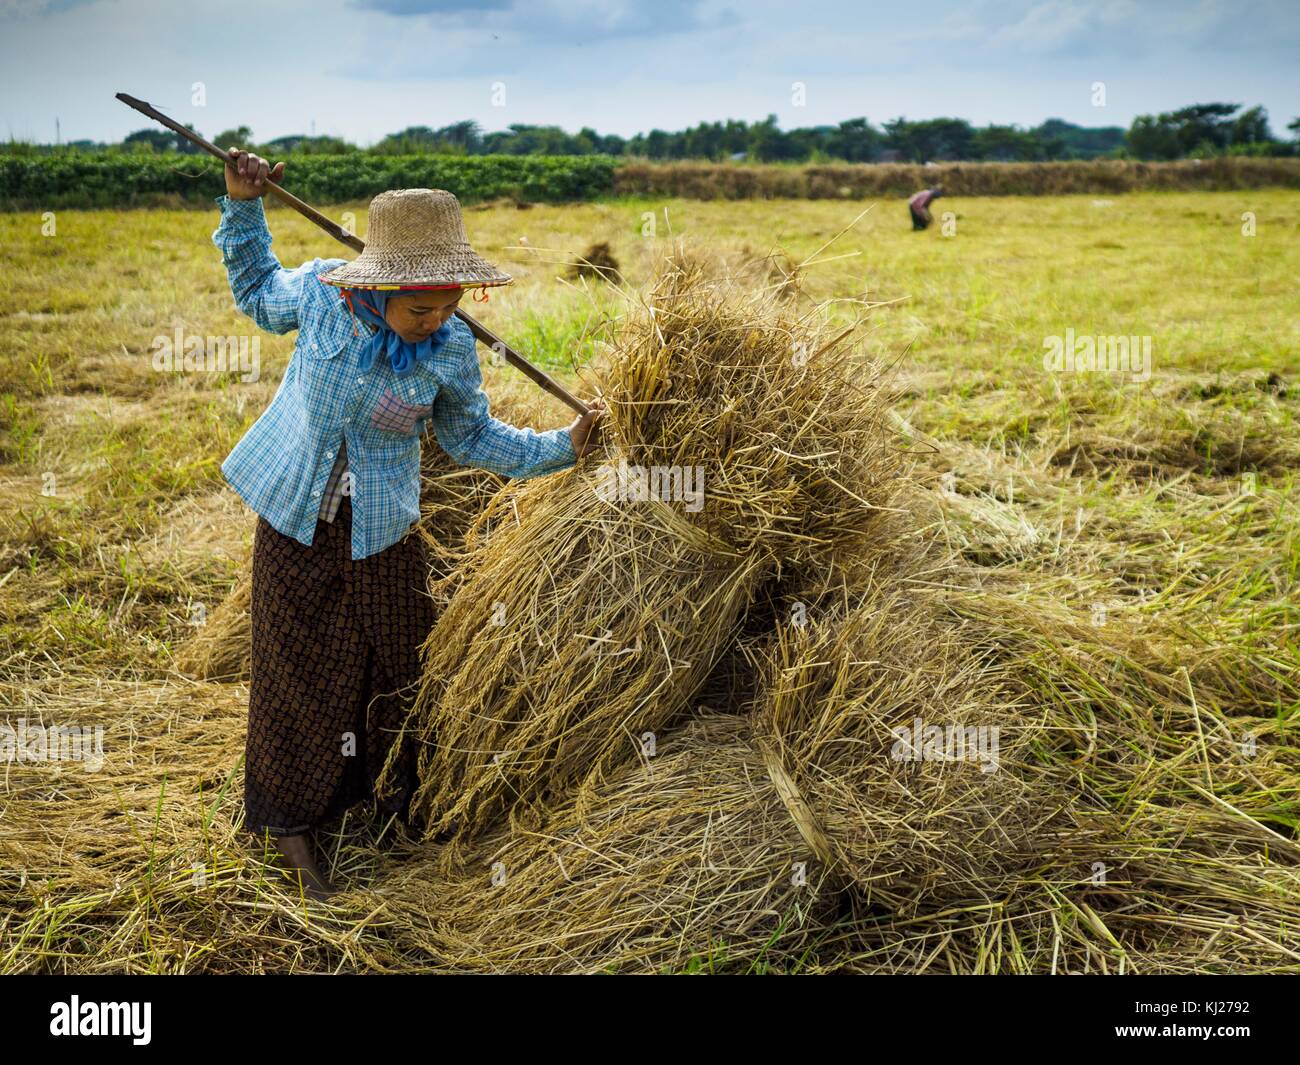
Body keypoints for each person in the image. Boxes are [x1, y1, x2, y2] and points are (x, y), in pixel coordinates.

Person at [213, 149, 606, 900]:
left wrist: (565, 448)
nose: (434, 321)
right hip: (296, 518)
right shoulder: (324, 294)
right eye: (419, 307)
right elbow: (259, 293)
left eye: (447, 305)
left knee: (401, 661)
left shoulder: (451, 347)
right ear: (383, 283)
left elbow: (471, 438)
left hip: (383, 529)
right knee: (294, 669)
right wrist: (242, 204)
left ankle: (393, 801)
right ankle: (291, 822)